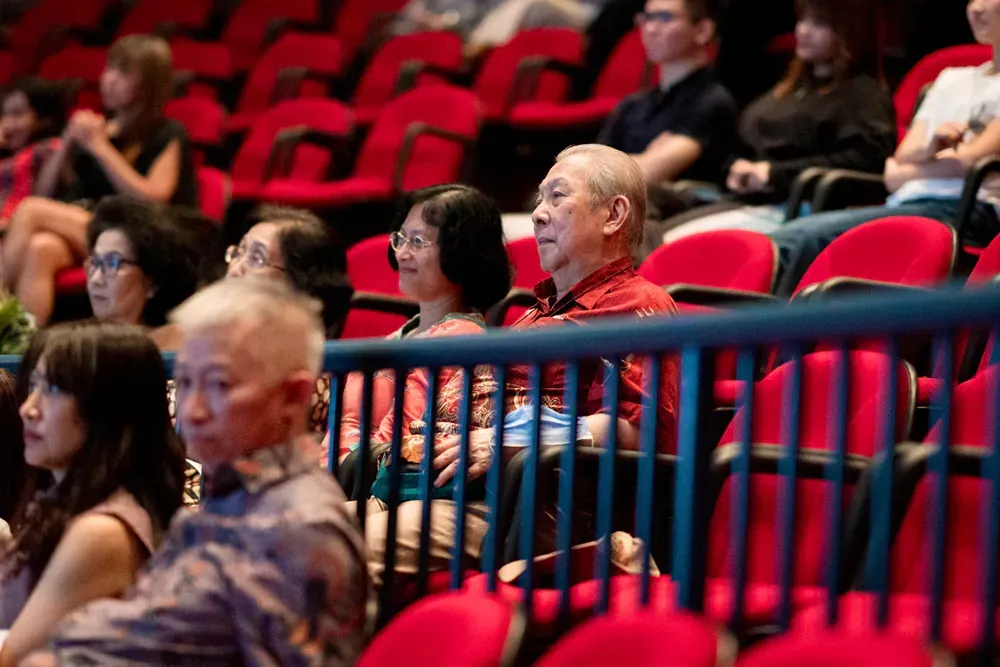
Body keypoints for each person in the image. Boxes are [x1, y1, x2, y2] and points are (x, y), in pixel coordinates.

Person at [364, 145, 680, 585]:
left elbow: (638, 430)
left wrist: (505, 440)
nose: (537, 214)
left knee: (339, 550)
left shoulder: (640, 304)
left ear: (613, 215)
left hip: (520, 505)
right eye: (538, 199)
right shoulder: (535, 311)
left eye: (557, 197)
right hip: (439, 483)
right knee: (286, 531)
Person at [22, 279, 369, 665]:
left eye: (219, 384)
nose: (193, 410)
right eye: (185, 383)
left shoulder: (300, 527)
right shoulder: (223, 498)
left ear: (294, 397)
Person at [770, 0, 1000, 295]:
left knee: (805, 240)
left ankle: (774, 339)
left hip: (969, 211)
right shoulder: (949, 79)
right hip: (907, 203)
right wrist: (931, 151)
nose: (977, 8)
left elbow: (973, 160)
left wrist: (914, 166)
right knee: (780, 240)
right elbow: (898, 163)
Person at [333, 185, 511, 558]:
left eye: (419, 241)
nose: (402, 251)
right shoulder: (405, 334)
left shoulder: (458, 337)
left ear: (462, 251)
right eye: (401, 237)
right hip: (347, 484)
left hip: (374, 492)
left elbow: (403, 441)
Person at [0, 322, 186, 666]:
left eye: (54, 389)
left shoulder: (103, 531)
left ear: (110, 409)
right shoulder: (64, 506)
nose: (28, 408)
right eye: (34, 385)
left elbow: (10, 659)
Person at [657, 0, 896, 245]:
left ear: (851, 31)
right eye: (802, 20)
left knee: (668, 242)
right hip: (744, 198)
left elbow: (866, 160)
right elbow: (747, 142)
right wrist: (740, 169)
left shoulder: (863, 95)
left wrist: (774, 174)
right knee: (647, 214)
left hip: (794, 207)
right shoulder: (792, 87)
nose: (803, 30)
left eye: (819, 23)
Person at [2, 35, 197, 325]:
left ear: (148, 83)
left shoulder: (167, 132)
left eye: (122, 72)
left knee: (31, 210)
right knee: (40, 248)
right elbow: (45, 191)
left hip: (141, 234)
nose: (108, 79)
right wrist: (67, 142)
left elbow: (153, 198)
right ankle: (18, 350)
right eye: (108, 69)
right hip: (96, 231)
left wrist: (100, 147)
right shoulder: (99, 129)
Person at [224, 205, 354, 439]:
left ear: (302, 283)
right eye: (238, 252)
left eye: (256, 258)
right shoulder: (221, 345)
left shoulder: (304, 369)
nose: (235, 269)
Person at [596, 0, 736, 186]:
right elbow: (592, 167)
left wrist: (616, 164)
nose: (650, 29)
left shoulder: (712, 102)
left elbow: (643, 174)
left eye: (664, 17)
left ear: (703, 31)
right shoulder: (633, 104)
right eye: (646, 18)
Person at [85, 196, 201, 351]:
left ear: (152, 282)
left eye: (112, 263)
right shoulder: (80, 349)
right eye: (95, 262)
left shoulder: (178, 352)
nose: (96, 279)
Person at [0, 78, 66, 222]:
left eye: (17, 114)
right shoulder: (6, 155)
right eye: (4, 115)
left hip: (21, 224)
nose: (6, 124)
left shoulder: (48, 149)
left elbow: (43, 197)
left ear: (44, 120)